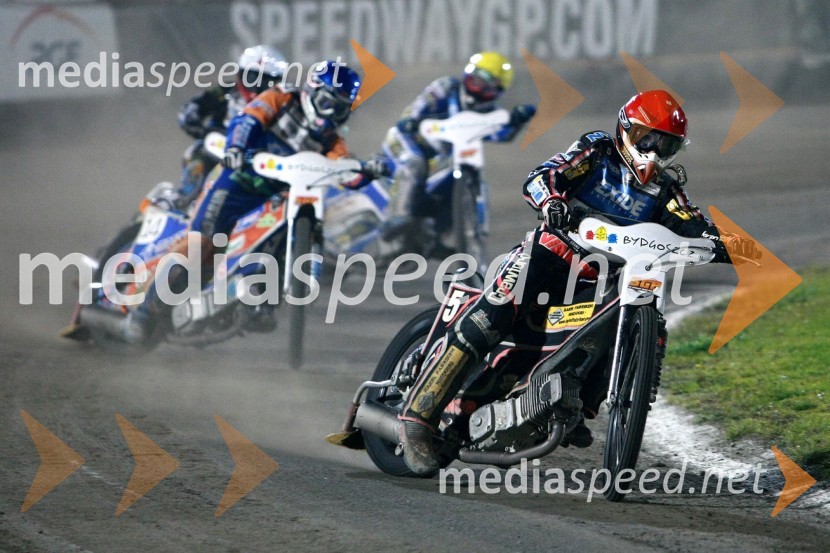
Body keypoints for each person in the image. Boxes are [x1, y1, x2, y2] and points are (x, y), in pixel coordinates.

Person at [396, 89, 762, 476]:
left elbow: (691, 222)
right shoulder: (597, 150)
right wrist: (552, 201)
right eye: (647, 139)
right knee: (494, 315)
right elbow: (542, 176)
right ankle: (417, 419)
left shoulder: (666, 190)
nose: (653, 152)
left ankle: (574, 403)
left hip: (599, 277)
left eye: (665, 144)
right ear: (626, 130)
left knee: (614, 319)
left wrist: (731, 245)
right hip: (549, 255)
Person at [127, 60, 387, 338]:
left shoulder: (332, 140)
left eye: (342, 109)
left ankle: (263, 301)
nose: (333, 114)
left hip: (276, 196)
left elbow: (345, 170)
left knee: (292, 228)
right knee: (201, 244)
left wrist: (368, 171)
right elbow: (247, 119)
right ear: (312, 92)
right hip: (237, 181)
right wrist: (237, 147)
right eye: (328, 103)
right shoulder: (281, 97)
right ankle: (146, 309)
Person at [381, 51, 536, 251]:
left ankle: (437, 233)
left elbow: (499, 135)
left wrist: (517, 120)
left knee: (451, 182)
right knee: (414, 161)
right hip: (409, 139)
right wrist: (412, 121)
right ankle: (399, 216)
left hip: (442, 155)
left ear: (498, 89)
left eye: (488, 85)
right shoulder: (444, 88)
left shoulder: (488, 111)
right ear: (468, 75)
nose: (479, 88)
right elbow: (415, 110)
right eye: (477, 80)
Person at [174, 45, 287, 210]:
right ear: (241, 75)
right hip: (215, 150)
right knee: (200, 159)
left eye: (267, 82)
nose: (258, 87)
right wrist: (201, 129)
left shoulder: (281, 104)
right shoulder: (224, 92)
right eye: (253, 78)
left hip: (254, 162)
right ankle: (182, 201)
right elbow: (190, 111)